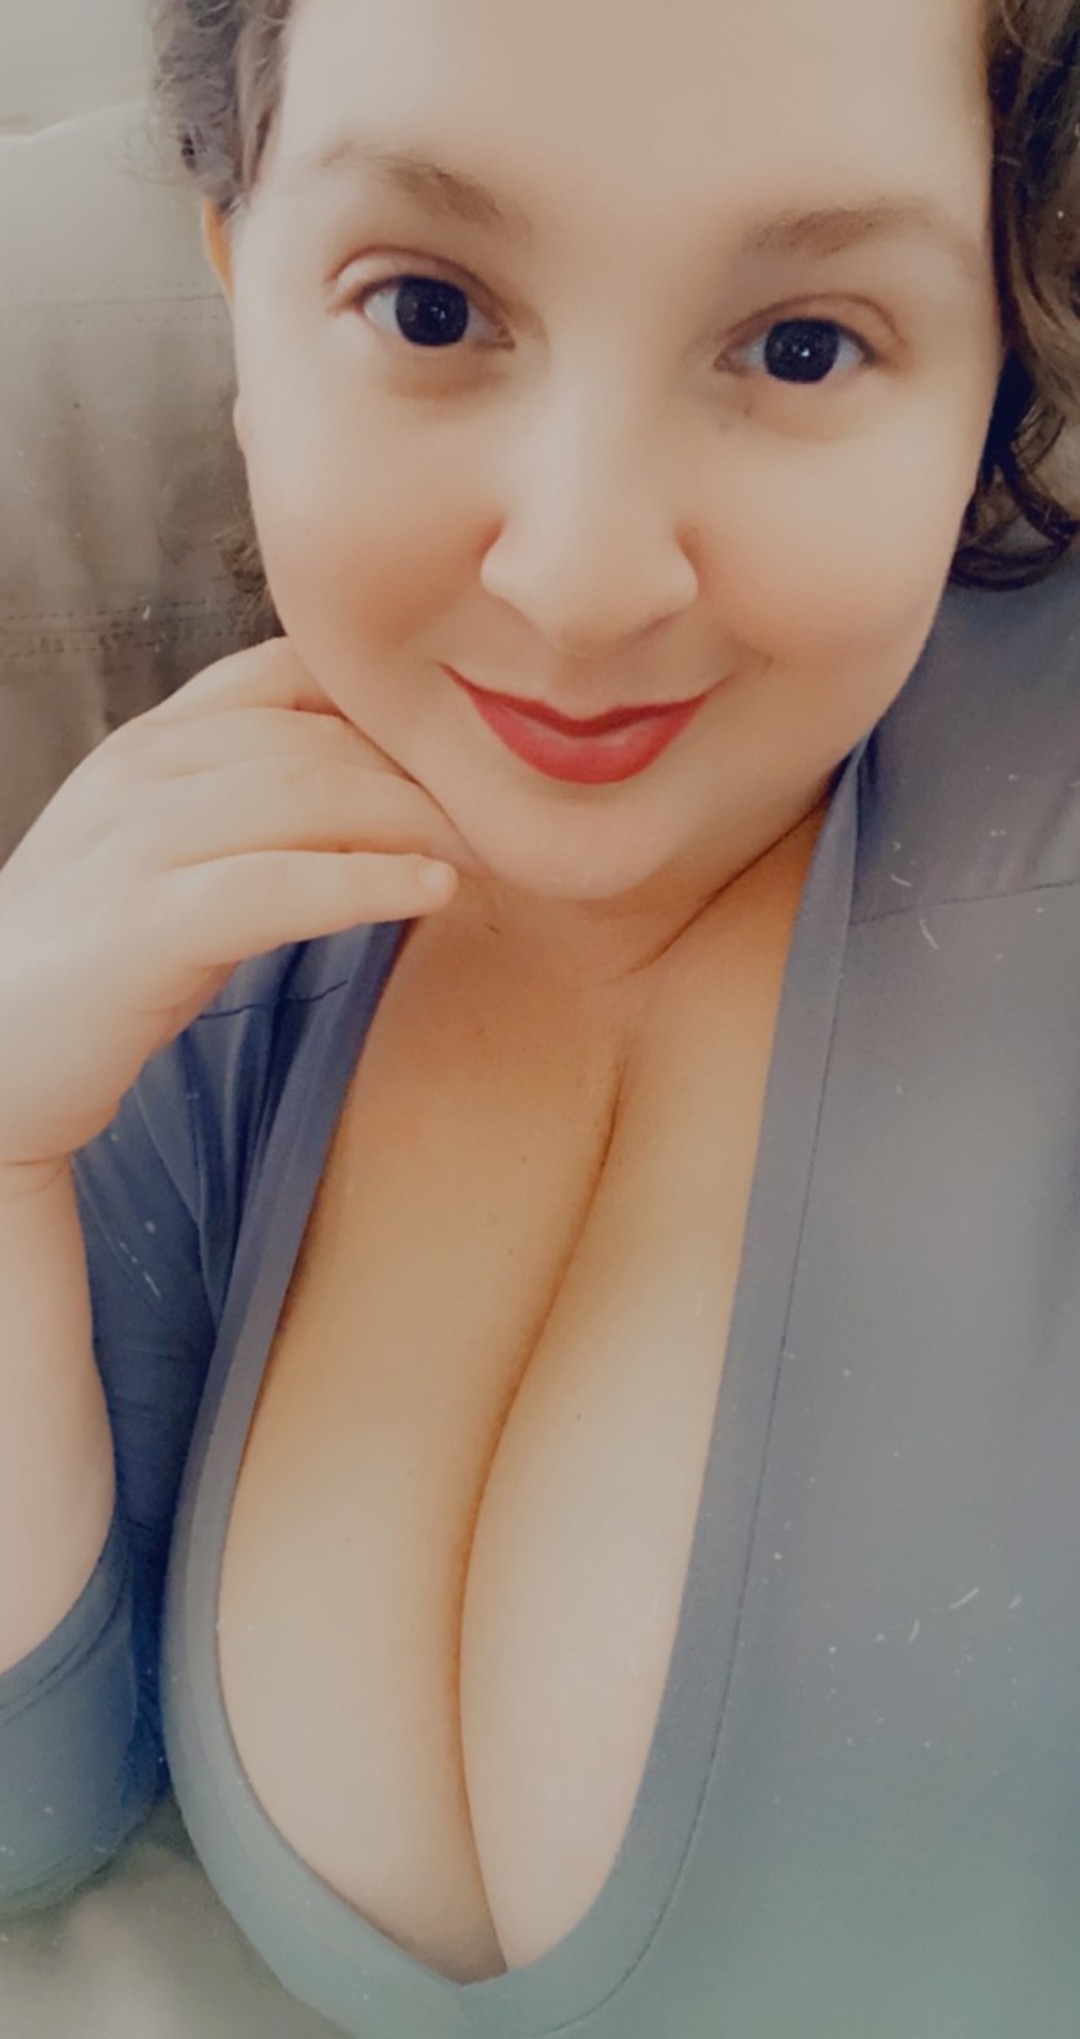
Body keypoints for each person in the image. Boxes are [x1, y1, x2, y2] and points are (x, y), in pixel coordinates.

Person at [0, 0, 1079, 2031]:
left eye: (804, 345)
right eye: (426, 309)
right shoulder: (194, 947)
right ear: (239, 287)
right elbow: (25, 1805)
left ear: (996, 364)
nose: (584, 579)